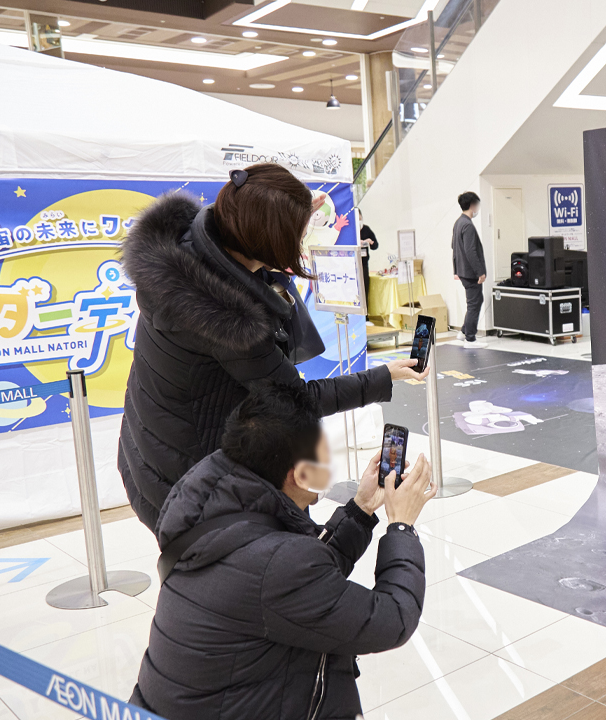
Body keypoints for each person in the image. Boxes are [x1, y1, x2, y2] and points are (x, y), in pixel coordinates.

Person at [120, 381, 435, 720]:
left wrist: (362, 509)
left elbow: (302, 586)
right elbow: (392, 619)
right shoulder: (278, 565)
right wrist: (401, 525)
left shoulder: (209, 494)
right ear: (301, 476)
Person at [118, 163, 424, 536]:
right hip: (190, 478)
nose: (302, 242)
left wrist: (291, 214)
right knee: (252, 578)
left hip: (154, 449)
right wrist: (383, 376)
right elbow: (297, 399)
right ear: (266, 239)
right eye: (295, 234)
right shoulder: (225, 319)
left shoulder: (193, 251)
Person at [451, 191, 487, 348]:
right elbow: (470, 251)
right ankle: (470, 338)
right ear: (473, 206)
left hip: (463, 270)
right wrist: (480, 272)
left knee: (476, 301)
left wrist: (456, 270)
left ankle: (464, 331)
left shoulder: (459, 222)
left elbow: (454, 247)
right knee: (474, 303)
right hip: (470, 273)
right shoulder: (468, 225)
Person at [356, 208, 377, 313]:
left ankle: (366, 315)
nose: (359, 220)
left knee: (365, 289)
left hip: (364, 264)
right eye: (357, 218)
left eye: (360, 218)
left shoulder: (366, 229)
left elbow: (375, 245)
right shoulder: (351, 230)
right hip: (353, 265)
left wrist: (369, 242)